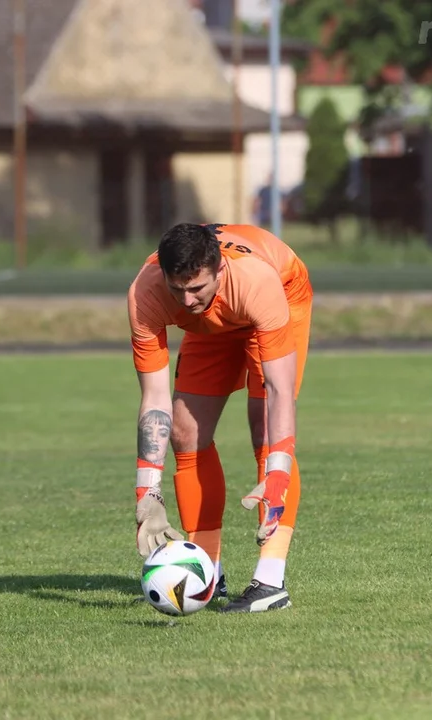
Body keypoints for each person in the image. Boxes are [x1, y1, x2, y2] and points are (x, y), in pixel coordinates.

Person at [127, 222, 313, 613]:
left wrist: (277, 472)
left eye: (196, 288)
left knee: (263, 425)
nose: (187, 299)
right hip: (219, 320)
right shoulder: (146, 294)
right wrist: (148, 491)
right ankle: (207, 570)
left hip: (278, 295)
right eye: (177, 289)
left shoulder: (255, 282)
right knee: (184, 431)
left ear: (219, 271)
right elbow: (155, 397)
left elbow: (279, 391)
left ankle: (270, 581)